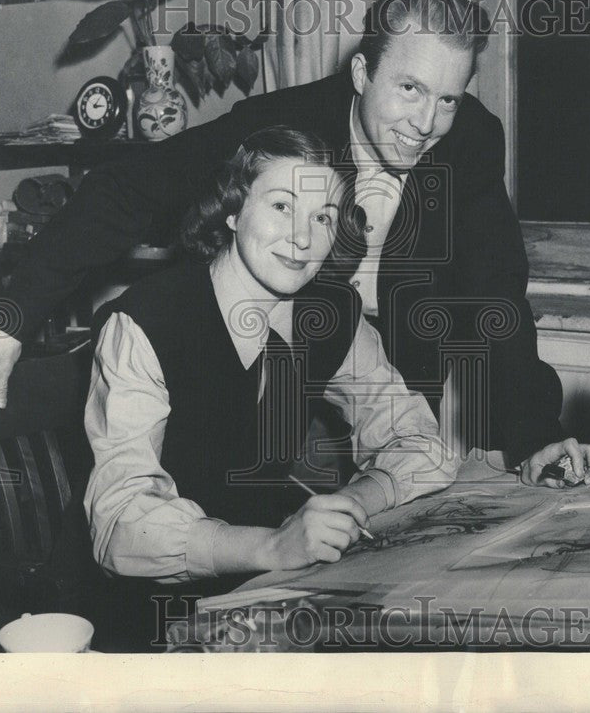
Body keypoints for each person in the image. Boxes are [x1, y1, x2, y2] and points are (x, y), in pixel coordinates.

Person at [0, 0, 590, 487]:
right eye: (409, 88)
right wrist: (11, 317)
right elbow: (127, 189)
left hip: (387, 376)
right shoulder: (277, 129)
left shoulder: (470, 142)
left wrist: (534, 433)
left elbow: (496, 298)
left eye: (447, 99)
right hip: (268, 373)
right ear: (361, 74)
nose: (426, 123)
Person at [84, 127, 459, 648]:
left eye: (323, 217)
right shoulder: (145, 322)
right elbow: (121, 524)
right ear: (232, 211)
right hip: (147, 618)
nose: (303, 238)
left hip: (270, 596)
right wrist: (272, 548)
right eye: (283, 206)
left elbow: (422, 444)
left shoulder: (330, 314)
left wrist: (353, 503)